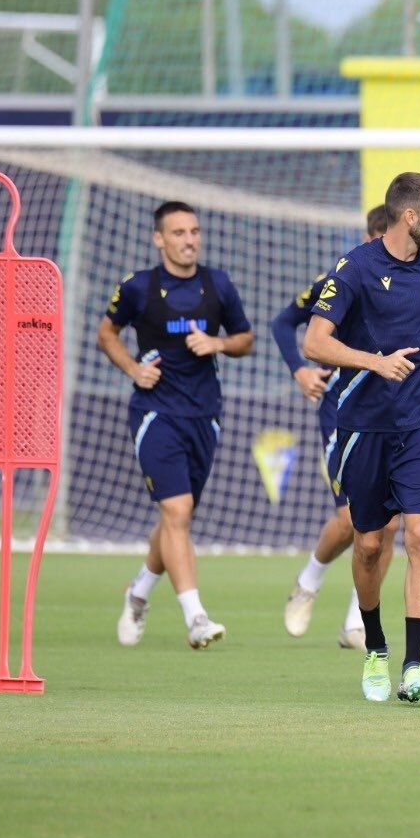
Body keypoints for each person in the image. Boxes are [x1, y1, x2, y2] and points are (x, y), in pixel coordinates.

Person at [303, 172, 420, 704]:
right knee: (368, 545)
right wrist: (374, 362)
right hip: (362, 426)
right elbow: (315, 342)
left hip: (419, 423)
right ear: (410, 217)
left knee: (418, 535)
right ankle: (376, 649)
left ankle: (414, 664)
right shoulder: (353, 268)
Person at [102, 201, 254, 650]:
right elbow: (106, 333)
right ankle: (196, 617)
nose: (189, 240)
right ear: (159, 239)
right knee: (177, 513)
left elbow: (245, 338)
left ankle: (139, 592)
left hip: (204, 416)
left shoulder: (217, 285)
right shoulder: (138, 287)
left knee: (176, 519)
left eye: (194, 231)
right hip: (155, 413)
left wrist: (218, 343)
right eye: (179, 233)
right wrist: (133, 368)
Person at [273, 204, 394, 649]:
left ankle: (356, 623)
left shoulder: (413, 282)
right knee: (352, 518)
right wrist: (299, 370)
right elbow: (284, 321)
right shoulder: (341, 280)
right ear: (368, 238)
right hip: (343, 411)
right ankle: (308, 581)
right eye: (374, 240)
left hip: (396, 414)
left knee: (391, 527)